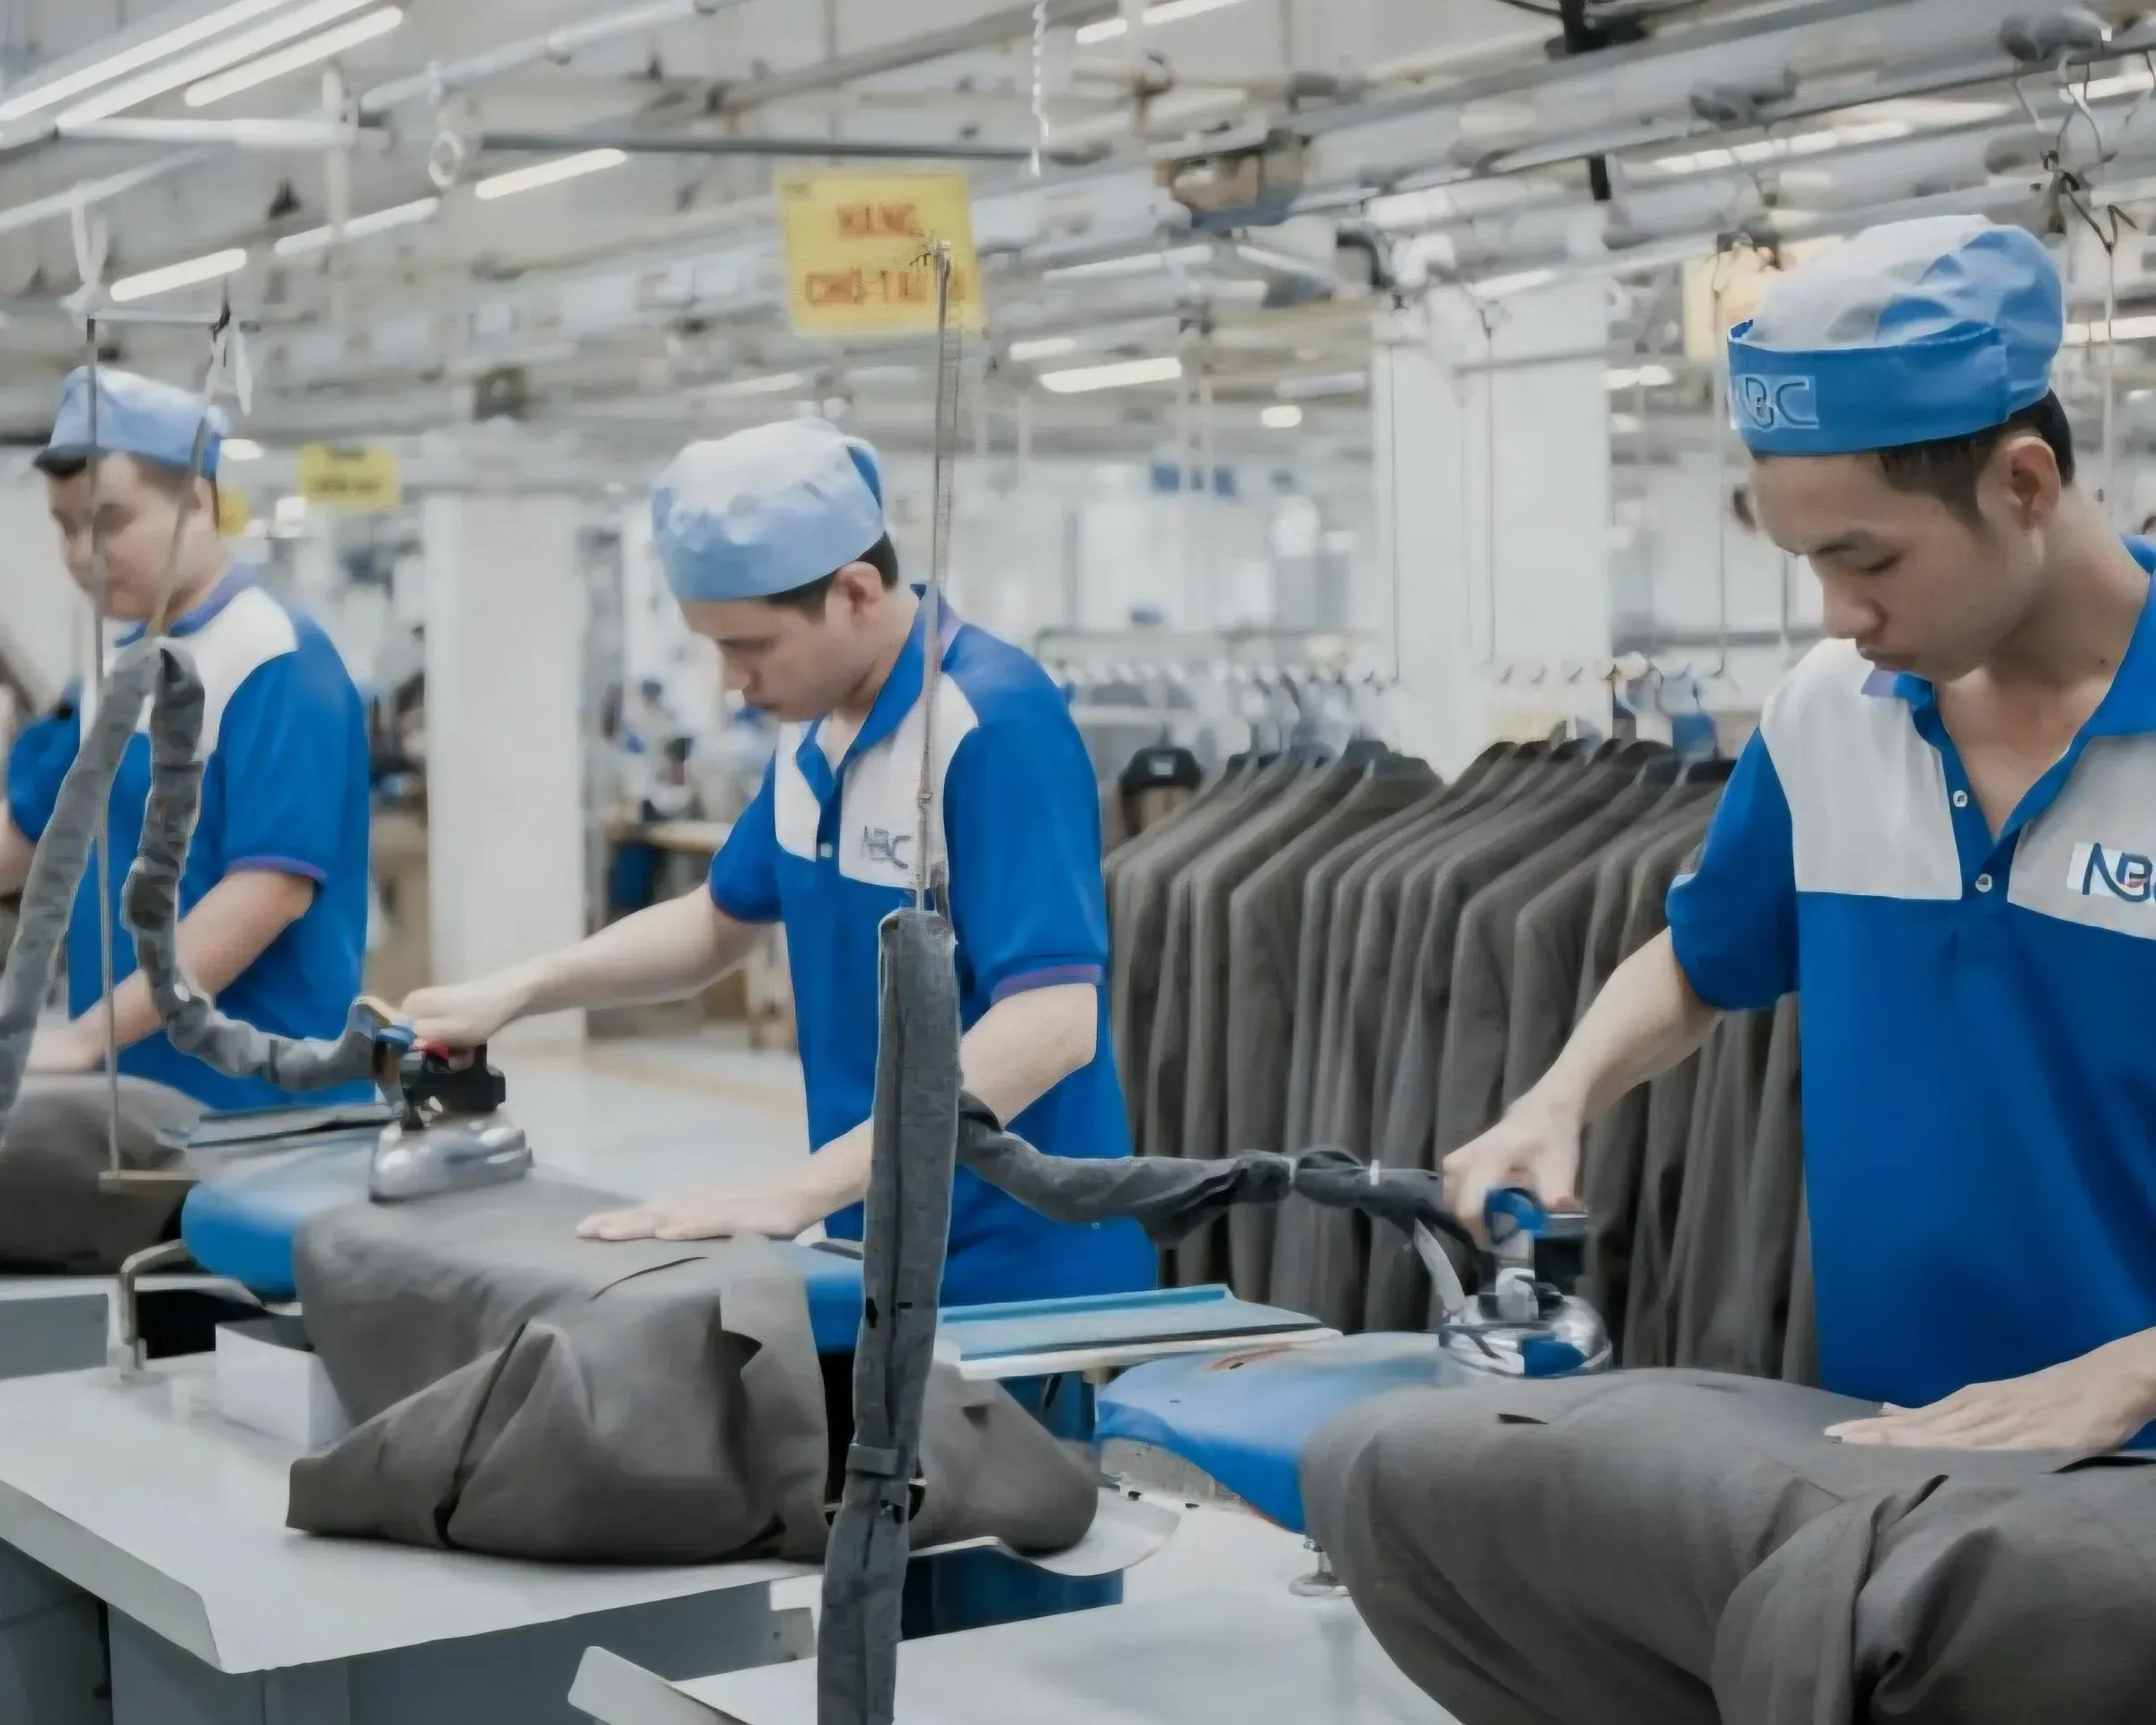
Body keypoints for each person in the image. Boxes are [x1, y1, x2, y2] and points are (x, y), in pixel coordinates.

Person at [1305, 215, 2156, 1725]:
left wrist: (2138, 1373)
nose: (1836, 614)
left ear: (2024, 484)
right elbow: (1705, 958)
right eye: (1803, 561)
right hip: (1885, 1458)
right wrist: (1561, 1094)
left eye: (1866, 556)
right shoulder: (1837, 712)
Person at [403, 418, 1155, 1308]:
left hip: (1018, 1263)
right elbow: (721, 917)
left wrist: (804, 1188)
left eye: (750, 647)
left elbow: (1053, 1021)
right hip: (872, 1234)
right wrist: (523, 989)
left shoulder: (988, 727)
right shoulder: (813, 738)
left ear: (856, 593)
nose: (731, 681)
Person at [3, 368, 374, 1111]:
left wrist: (83, 1039)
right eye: (66, 526)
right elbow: (26, 837)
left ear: (197, 504)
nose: (82, 554)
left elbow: (267, 893)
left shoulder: (276, 659)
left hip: (255, 1108)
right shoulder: (109, 676)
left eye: (109, 521)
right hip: (131, 1095)